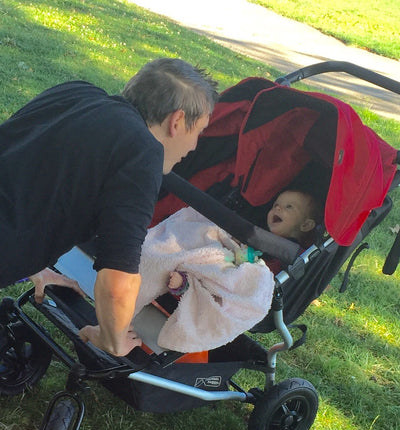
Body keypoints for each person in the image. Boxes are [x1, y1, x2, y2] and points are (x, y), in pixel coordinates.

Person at [0, 58, 218, 357]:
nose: (194, 146)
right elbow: (118, 276)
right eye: (199, 132)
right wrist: (112, 337)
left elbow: (24, 173)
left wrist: (33, 266)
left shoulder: (77, 92)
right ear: (177, 121)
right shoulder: (142, 153)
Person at [167, 189, 323, 294]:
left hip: (246, 283)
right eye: (276, 205)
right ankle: (187, 278)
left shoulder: (295, 254)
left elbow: (266, 276)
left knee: (220, 267)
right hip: (233, 266)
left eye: (289, 207)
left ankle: (188, 285)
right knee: (213, 252)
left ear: (305, 225)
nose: (278, 209)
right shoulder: (261, 234)